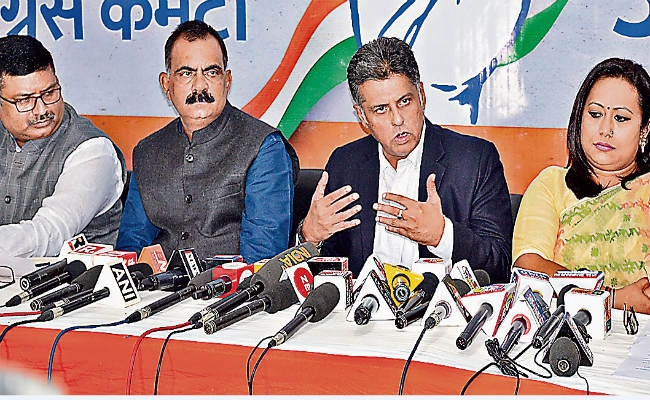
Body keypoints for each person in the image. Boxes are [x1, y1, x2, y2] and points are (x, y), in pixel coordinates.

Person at [298, 37, 513, 281]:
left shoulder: (474, 160)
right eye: (381, 109)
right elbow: (325, 275)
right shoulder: (345, 163)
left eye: (404, 101)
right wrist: (309, 237)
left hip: (439, 304)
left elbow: (500, 265)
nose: (397, 119)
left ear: (421, 95)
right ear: (362, 116)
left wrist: (442, 236)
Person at [117, 20, 298, 262]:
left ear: (227, 81)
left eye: (212, 72)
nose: (200, 85)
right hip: (158, 285)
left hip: (232, 285)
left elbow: (261, 261)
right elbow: (130, 250)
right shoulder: (148, 152)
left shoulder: (264, 147)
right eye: (186, 73)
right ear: (167, 85)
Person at [512, 57, 650, 314]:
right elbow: (529, 266)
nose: (605, 129)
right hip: (564, 327)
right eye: (595, 114)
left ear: (644, 129)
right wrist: (608, 298)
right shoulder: (552, 184)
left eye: (621, 118)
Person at [0, 35, 125, 257]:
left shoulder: (93, 150)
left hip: (73, 278)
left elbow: (50, 234)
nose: (41, 110)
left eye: (49, 93)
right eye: (25, 100)